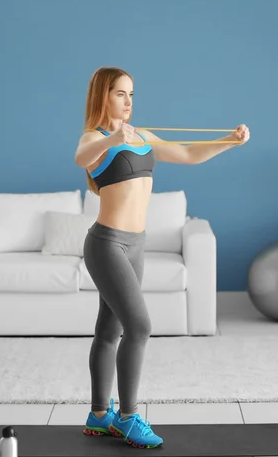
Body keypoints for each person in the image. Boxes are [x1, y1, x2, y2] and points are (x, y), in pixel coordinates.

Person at [74, 66, 250, 449]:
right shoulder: (97, 137)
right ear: (103, 96)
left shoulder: (143, 137)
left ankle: (98, 415)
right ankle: (128, 417)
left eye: (132, 94)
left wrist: (229, 141)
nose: (128, 101)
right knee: (139, 327)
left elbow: (188, 153)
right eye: (120, 93)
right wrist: (113, 138)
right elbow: (80, 156)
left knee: (109, 331)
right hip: (106, 245)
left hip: (136, 245)